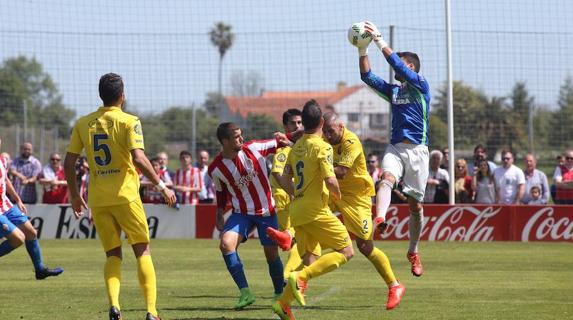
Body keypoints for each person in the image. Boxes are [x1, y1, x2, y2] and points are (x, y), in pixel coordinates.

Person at [63, 73, 176, 320]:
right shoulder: (129, 121)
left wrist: (74, 194)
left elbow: (69, 162)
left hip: (98, 199)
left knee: (113, 254)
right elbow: (139, 158)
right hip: (125, 196)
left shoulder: (83, 123)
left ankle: (114, 306)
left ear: (100, 95)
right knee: (142, 251)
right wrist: (162, 186)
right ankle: (151, 311)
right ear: (122, 96)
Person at [271, 100, 354, 319]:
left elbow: (284, 175)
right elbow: (330, 179)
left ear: (304, 123)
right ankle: (299, 278)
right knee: (346, 251)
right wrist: (339, 196)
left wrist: (295, 192)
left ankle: (283, 303)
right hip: (315, 210)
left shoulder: (295, 147)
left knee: (311, 256)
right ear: (321, 122)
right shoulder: (322, 147)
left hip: (297, 210)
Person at [359, 21, 430, 276]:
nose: (396, 67)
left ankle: (413, 250)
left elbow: (396, 64)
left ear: (410, 67)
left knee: (415, 207)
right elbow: (367, 77)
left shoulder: (421, 85)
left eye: (401, 63)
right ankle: (380, 218)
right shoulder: (395, 92)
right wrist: (362, 49)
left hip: (419, 153)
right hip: (396, 148)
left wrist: (379, 40)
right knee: (386, 179)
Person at [321, 111, 405, 310]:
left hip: (357, 198)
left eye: (331, 131)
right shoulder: (324, 137)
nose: (328, 135)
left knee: (365, 247)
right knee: (310, 216)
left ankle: (395, 285)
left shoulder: (352, 142)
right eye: (325, 131)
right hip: (335, 191)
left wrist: (318, 164)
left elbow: (341, 172)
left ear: (341, 127)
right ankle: (297, 278)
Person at [208, 122, 291, 311]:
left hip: (266, 212)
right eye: (236, 136)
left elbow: (281, 142)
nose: (241, 139)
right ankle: (245, 293)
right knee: (225, 244)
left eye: (241, 135)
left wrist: (295, 135)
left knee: (271, 255)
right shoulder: (216, 169)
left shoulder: (254, 148)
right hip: (242, 213)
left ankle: (279, 293)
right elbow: (221, 193)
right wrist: (219, 212)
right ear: (225, 141)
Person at [0, 138, 63, 280]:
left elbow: (5, 180)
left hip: (6, 205)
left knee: (30, 233)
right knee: (18, 239)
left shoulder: (3, 160)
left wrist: (17, 199)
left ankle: (40, 270)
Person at [265, 109, 305, 283]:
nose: (296, 126)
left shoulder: (296, 145)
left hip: (294, 195)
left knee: (297, 240)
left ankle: (289, 277)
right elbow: (276, 173)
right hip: (285, 198)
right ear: (285, 126)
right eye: (292, 123)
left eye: (299, 122)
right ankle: (287, 276)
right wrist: (292, 192)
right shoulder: (282, 148)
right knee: (293, 239)